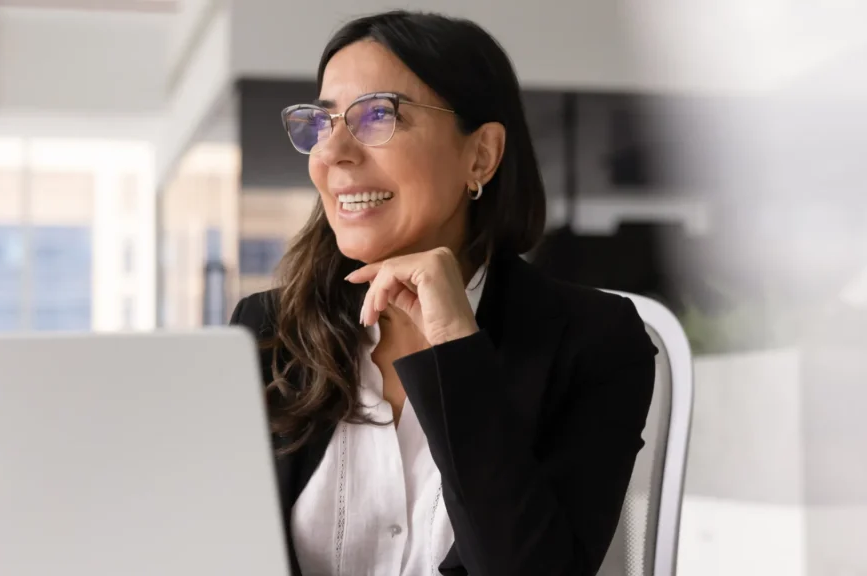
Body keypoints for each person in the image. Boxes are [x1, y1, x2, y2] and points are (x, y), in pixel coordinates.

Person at [230, 10, 656, 576]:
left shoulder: (595, 342)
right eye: (323, 122)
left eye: (378, 115)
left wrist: (457, 348)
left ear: (479, 155)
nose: (331, 155)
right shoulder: (266, 331)